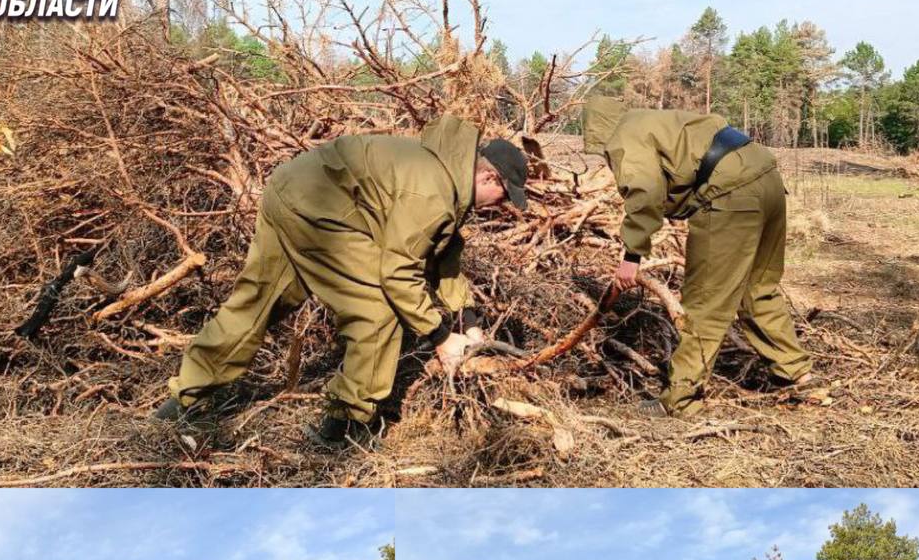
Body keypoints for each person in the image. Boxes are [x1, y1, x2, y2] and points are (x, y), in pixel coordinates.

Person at [155, 116, 528, 447]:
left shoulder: (443, 173)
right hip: (321, 206)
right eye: (504, 196)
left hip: (290, 190)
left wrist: (470, 322)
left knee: (257, 302)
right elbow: (397, 273)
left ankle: (184, 399)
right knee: (377, 312)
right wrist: (441, 337)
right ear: (487, 177)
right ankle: (343, 427)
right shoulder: (433, 191)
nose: (502, 206)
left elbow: (443, 257)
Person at [583, 93, 813, 417]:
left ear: (595, 129)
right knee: (758, 288)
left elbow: (645, 192)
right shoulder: (649, 120)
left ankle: (680, 400)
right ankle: (797, 374)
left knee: (705, 301)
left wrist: (632, 256)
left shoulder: (623, 137)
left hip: (731, 192)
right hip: (766, 177)